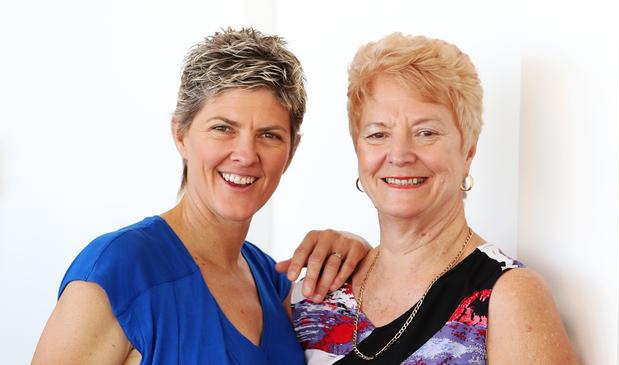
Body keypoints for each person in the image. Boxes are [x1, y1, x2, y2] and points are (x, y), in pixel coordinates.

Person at [32, 28, 370, 365]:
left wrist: (357, 250)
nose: (246, 154)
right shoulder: (117, 271)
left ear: (291, 151)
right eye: (223, 128)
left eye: (269, 135)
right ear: (180, 134)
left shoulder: (274, 282)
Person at [292, 33, 580, 364]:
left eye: (426, 132)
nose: (399, 155)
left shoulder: (508, 298)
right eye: (378, 134)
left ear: (468, 151)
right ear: (358, 150)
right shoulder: (313, 296)